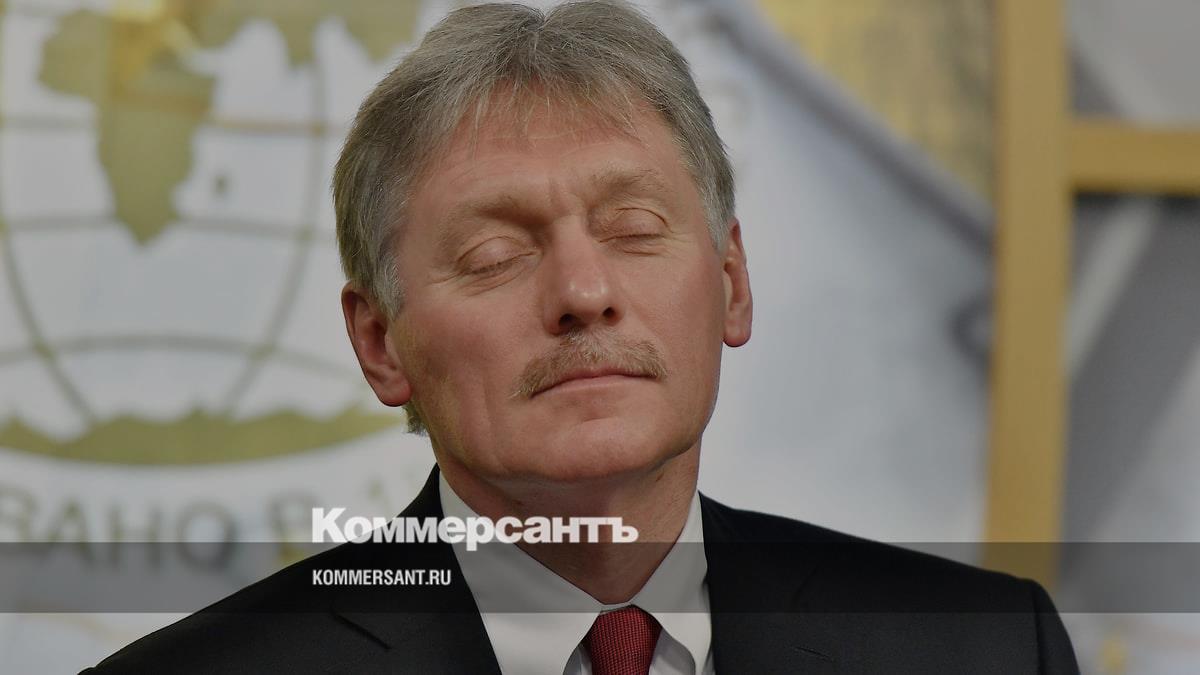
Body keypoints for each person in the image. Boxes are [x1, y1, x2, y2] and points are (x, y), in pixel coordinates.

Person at [86, 1, 1078, 673]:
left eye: (634, 229)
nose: (584, 292)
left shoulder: (984, 649)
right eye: (493, 254)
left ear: (731, 283)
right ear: (381, 343)